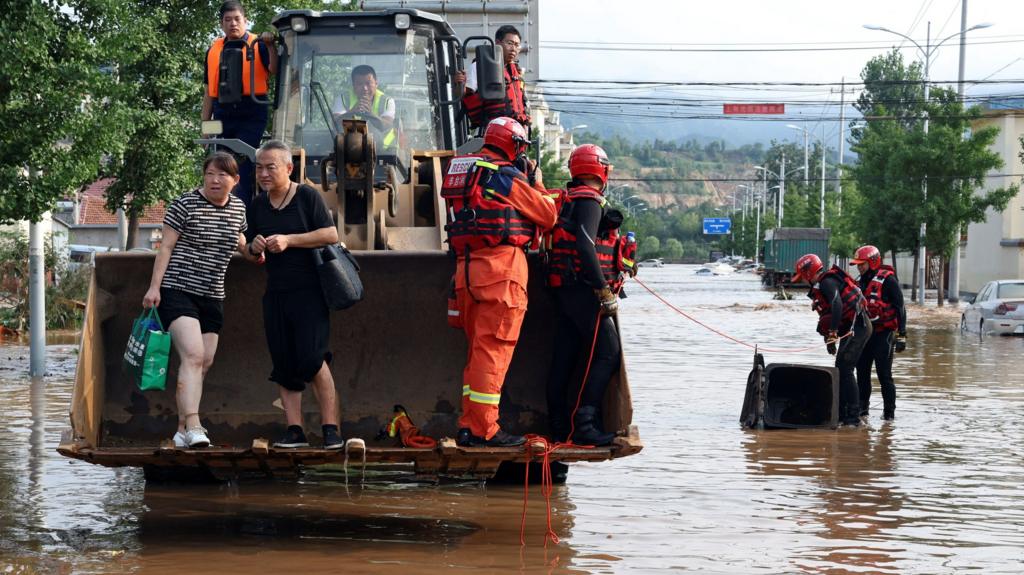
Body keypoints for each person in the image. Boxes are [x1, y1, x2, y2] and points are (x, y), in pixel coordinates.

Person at [441, 117, 557, 447]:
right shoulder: (505, 176)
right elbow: (547, 215)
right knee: (492, 354)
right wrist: (536, 180)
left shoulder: (464, 172)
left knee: (478, 355)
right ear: (513, 146)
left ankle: (469, 424)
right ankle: (484, 430)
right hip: (500, 274)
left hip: (466, 273)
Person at [142, 152, 249, 448]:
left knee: (203, 362)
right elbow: (165, 248)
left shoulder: (238, 208)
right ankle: (195, 424)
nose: (215, 180)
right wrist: (154, 288)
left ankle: (180, 430)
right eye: (210, 173)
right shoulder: (185, 203)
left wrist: (256, 251)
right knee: (193, 355)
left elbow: (240, 242)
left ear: (235, 181)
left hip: (213, 295)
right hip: (178, 290)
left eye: (223, 175)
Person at [244, 140, 343, 449]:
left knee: (313, 359)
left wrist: (289, 240)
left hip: (309, 291)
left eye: (270, 167)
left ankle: (331, 430)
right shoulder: (258, 205)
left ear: (288, 168)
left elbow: (331, 234)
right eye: (259, 168)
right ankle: (295, 431)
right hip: (276, 293)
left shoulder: (307, 197)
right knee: (284, 363)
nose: (263, 174)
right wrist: (253, 248)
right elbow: (248, 250)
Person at [545, 144, 635, 446]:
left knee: (565, 355)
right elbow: (585, 248)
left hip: (565, 289)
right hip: (582, 290)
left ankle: (558, 427)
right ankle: (584, 423)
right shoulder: (589, 201)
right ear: (603, 170)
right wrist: (604, 290)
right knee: (609, 351)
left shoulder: (570, 199)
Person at [202, 0, 278, 206]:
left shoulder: (258, 44)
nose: (233, 24)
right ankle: (220, 208)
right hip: (223, 113)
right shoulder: (213, 50)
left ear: (245, 20)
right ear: (221, 24)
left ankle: (239, 211)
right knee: (219, 163)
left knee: (239, 165)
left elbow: (273, 69)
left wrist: (270, 45)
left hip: (251, 112)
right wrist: (205, 125)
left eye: (237, 19)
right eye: (228, 20)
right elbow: (209, 91)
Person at [792, 254, 872, 427]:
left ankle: (853, 418)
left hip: (858, 326)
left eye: (802, 277)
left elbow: (837, 305)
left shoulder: (827, 282)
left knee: (845, 369)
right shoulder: (823, 283)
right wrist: (830, 340)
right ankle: (844, 415)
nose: (803, 282)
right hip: (853, 327)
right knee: (841, 368)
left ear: (808, 273)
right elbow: (831, 313)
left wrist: (833, 333)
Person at [850, 245, 907, 421]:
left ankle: (889, 415)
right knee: (862, 372)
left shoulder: (888, 281)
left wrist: (902, 335)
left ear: (873, 262)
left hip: (884, 335)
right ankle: (862, 411)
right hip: (865, 335)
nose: (859, 267)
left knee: (884, 375)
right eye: (858, 264)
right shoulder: (860, 282)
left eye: (862, 264)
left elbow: (900, 308)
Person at [453, 25, 530, 131]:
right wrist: (459, 82)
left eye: (517, 45)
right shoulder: (480, 66)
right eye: (509, 43)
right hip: (493, 130)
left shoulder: (516, 72)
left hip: (515, 132)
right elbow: (461, 94)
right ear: (497, 43)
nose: (513, 49)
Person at [332, 65, 397, 152]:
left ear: (376, 84)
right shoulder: (343, 99)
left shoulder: (387, 101)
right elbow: (335, 123)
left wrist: (370, 114)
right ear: (353, 85)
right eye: (359, 84)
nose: (365, 88)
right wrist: (352, 112)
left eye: (368, 83)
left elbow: (386, 126)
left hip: (384, 152)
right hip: (348, 152)